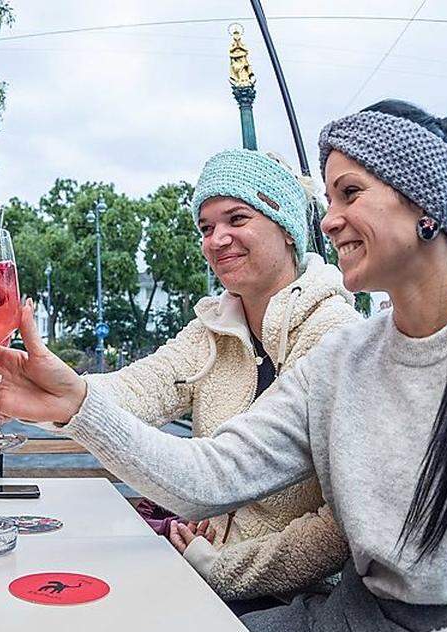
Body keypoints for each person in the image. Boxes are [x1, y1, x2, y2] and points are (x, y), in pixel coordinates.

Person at [0, 99, 447, 632]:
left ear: (427, 206)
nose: (329, 218)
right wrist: (76, 403)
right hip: (334, 619)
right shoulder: (341, 360)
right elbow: (213, 473)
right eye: (329, 199)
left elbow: (332, 538)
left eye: (350, 193)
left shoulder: (335, 335)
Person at [82, 149, 359, 604]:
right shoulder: (212, 329)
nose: (217, 239)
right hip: (200, 571)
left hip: (292, 599)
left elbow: (339, 526)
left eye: (236, 218)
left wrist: (217, 566)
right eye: (206, 227)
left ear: (288, 229)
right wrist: (45, 389)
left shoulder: (334, 336)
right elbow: (139, 387)